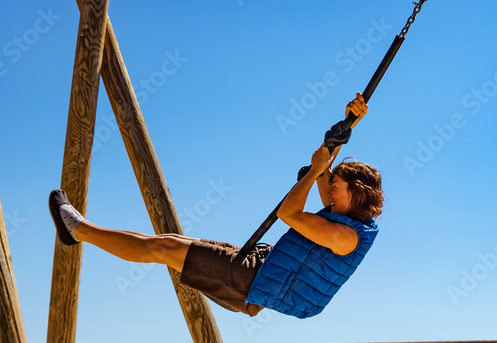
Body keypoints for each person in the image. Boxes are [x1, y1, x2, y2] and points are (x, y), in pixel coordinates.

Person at [49, 94, 382, 319]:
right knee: (169, 243)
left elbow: (290, 213)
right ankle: (77, 230)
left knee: (162, 247)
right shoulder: (346, 215)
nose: (330, 191)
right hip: (262, 267)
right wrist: (349, 121)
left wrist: (311, 173)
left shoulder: (346, 238)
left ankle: (77, 230)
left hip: (253, 285)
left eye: (336, 188)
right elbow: (326, 161)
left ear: (357, 193)